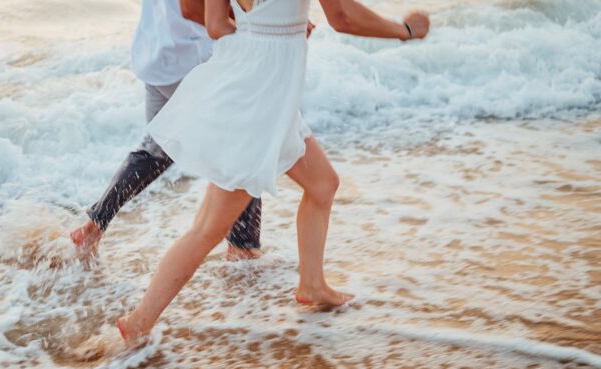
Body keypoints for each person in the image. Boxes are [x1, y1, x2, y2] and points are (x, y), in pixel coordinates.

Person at [117, 0, 430, 345]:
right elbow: (342, 18)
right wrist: (406, 31)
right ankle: (138, 321)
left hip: (251, 82)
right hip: (261, 97)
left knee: (323, 184)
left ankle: (312, 284)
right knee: (207, 229)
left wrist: (269, 27)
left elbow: (215, 27)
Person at [69, 0, 263, 261]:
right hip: (192, 60)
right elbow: (193, 10)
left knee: (158, 149)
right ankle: (243, 250)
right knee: (243, 147)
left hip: (157, 51)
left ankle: (93, 226)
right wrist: (263, 28)